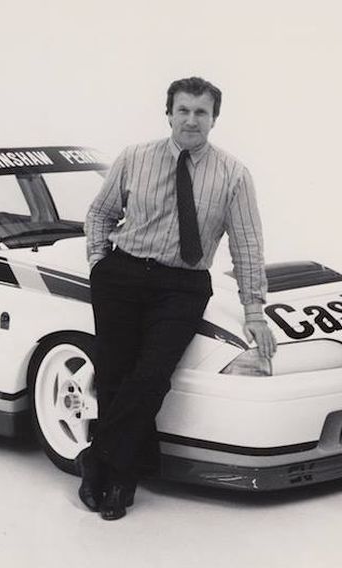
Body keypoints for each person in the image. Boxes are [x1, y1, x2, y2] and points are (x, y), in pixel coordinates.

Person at [80, 76, 276, 520]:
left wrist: (254, 311)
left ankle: (98, 459)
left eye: (201, 112)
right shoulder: (134, 158)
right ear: (168, 113)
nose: (191, 120)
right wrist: (99, 264)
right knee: (114, 376)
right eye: (183, 110)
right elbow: (100, 213)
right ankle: (118, 479)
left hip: (182, 286)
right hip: (123, 275)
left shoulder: (233, 175)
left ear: (214, 119)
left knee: (150, 378)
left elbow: (247, 243)